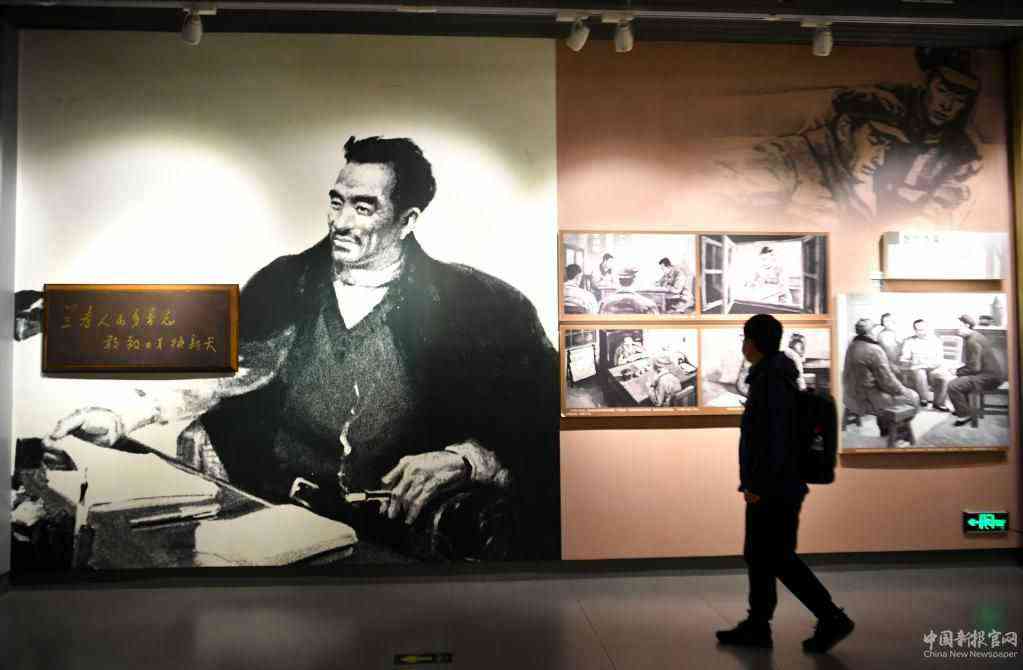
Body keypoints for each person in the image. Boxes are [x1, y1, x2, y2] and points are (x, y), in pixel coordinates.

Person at [43, 135, 560, 561]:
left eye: (363, 207)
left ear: (407, 220)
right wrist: (119, 416)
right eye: (337, 202)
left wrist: (466, 459)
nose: (341, 221)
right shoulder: (284, 280)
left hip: (393, 545)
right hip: (271, 523)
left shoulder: (480, 305)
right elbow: (224, 370)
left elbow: (544, 418)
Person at [717, 314, 854, 653]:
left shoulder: (772, 379)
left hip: (775, 486)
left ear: (753, 342)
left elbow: (774, 439)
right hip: (777, 483)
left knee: (777, 557)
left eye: (745, 338)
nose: (743, 344)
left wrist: (757, 484)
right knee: (759, 555)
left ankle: (831, 617)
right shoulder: (773, 373)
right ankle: (758, 625)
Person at [832, 48, 982, 225]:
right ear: (926, 85)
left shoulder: (962, 150)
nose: (947, 105)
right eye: (942, 90)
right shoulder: (887, 107)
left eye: (959, 100)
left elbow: (947, 200)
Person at [716, 92, 910, 226]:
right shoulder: (782, 159)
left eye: (887, 147)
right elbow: (731, 218)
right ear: (844, 129)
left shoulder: (842, 175)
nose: (880, 160)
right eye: (875, 141)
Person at [843, 318, 920, 435]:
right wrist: (904, 390)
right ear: (871, 332)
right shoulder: (874, 349)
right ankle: (894, 430)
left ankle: (885, 427)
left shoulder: (853, 345)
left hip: (849, 393)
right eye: (876, 328)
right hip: (866, 398)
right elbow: (887, 382)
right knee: (913, 397)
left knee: (885, 390)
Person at [948, 314, 1008, 427]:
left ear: (967, 325)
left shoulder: (972, 341)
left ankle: (964, 414)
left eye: (958, 327)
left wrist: (956, 371)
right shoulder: (976, 335)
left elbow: (974, 368)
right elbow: (974, 364)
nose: (956, 330)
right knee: (961, 380)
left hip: (989, 378)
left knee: (953, 385)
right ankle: (963, 408)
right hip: (992, 375)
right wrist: (960, 371)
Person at [898, 318, 952, 411]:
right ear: (915, 330)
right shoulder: (909, 341)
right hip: (918, 368)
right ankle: (924, 399)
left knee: (945, 376)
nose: (921, 332)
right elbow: (904, 358)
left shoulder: (935, 341)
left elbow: (939, 359)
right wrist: (907, 360)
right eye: (918, 330)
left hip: (933, 367)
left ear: (927, 329)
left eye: (923, 329)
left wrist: (922, 363)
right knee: (920, 373)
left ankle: (939, 403)